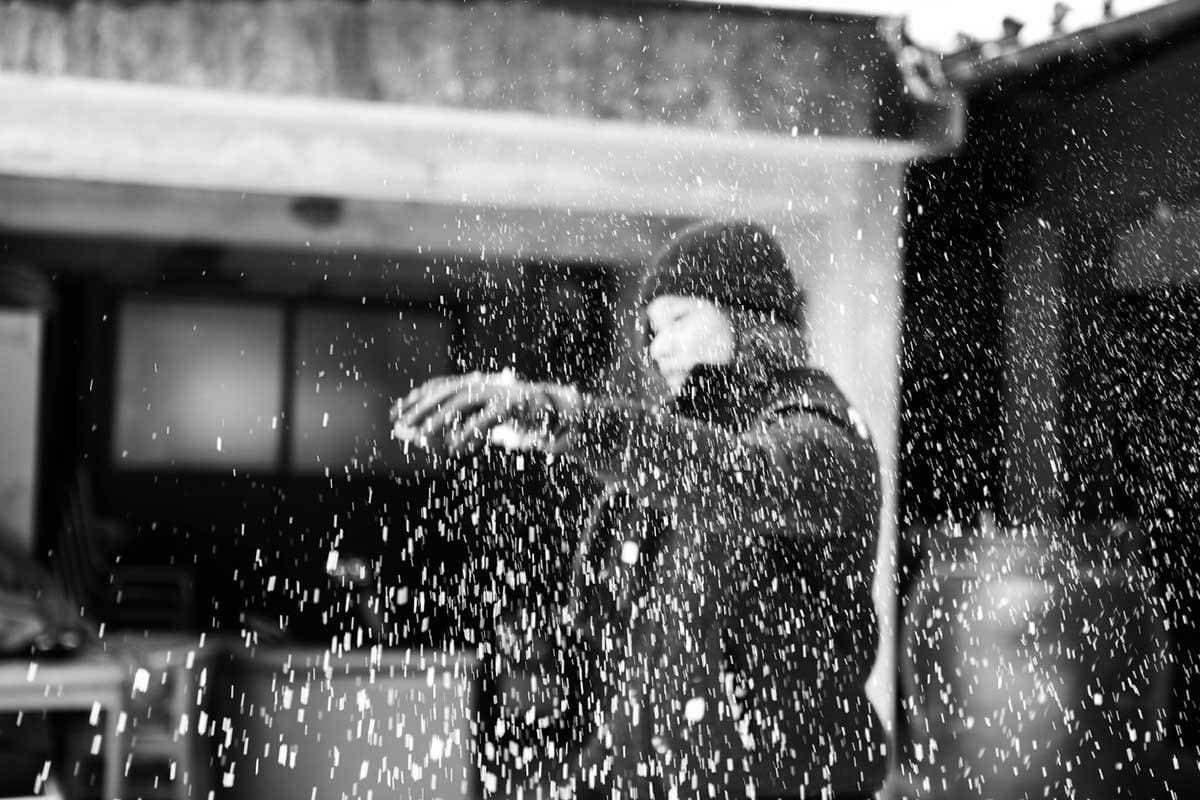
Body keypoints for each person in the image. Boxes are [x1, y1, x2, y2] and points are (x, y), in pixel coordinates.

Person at [391, 220, 887, 800]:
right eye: (653, 330)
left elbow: (748, 477)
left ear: (752, 317)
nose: (659, 347)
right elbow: (641, 696)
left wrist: (570, 418)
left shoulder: (819, 429)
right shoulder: (669, 476)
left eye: (680, 319)